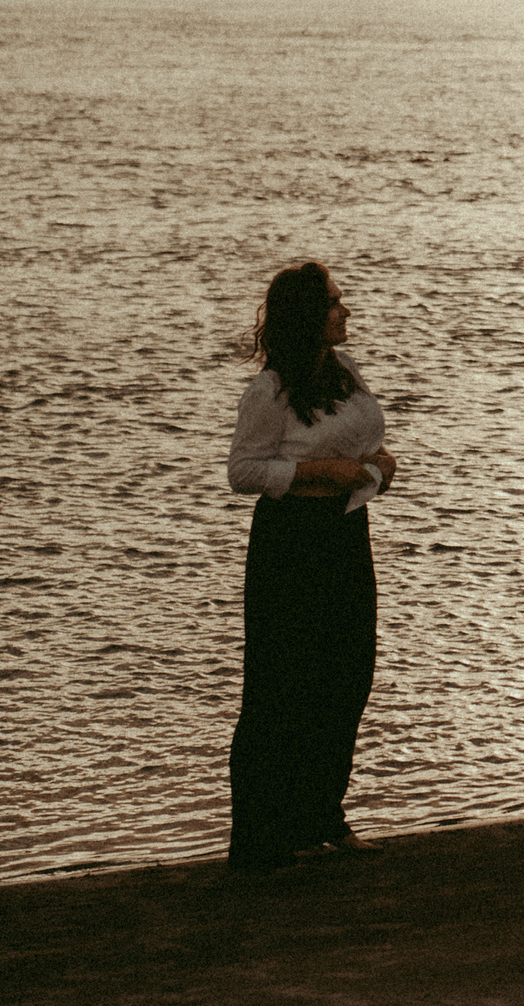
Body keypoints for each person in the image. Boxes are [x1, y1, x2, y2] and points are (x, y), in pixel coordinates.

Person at [223, 261, 399, 873]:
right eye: (333, 303)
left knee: (347, 675)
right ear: (306, 316)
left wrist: (377, 461)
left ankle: (321, 817)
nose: (344, 312)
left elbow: (358, 439)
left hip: (345, 531)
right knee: (280, 687)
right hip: (290, 540)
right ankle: (260, 840)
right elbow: (243, 471)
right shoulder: (269, 391)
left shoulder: (343, 370)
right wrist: (319, 472)